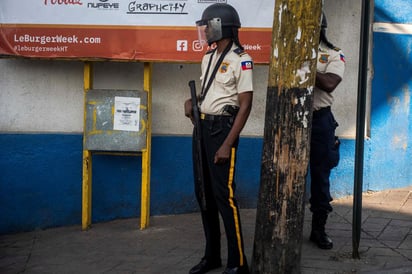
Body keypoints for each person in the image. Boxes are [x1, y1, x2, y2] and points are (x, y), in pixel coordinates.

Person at [184, 3, 253, 274]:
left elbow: (245, 105)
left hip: (223, 131)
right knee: (204, 195)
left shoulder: (241, 59)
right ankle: (211, 256)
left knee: (225, 197)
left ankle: (238, 262)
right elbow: (208, 95)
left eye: (207, 26)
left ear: (220, 27)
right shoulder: (209, 57)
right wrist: (193, 102)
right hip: (201, 128)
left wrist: (227, 144)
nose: (204, 31)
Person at [309, 12, 345, 250]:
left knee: (320, 177)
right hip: (292, 119)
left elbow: (330, 82)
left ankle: (318, 230)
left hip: (320, 121)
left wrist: (304, 65)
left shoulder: (333, 54)